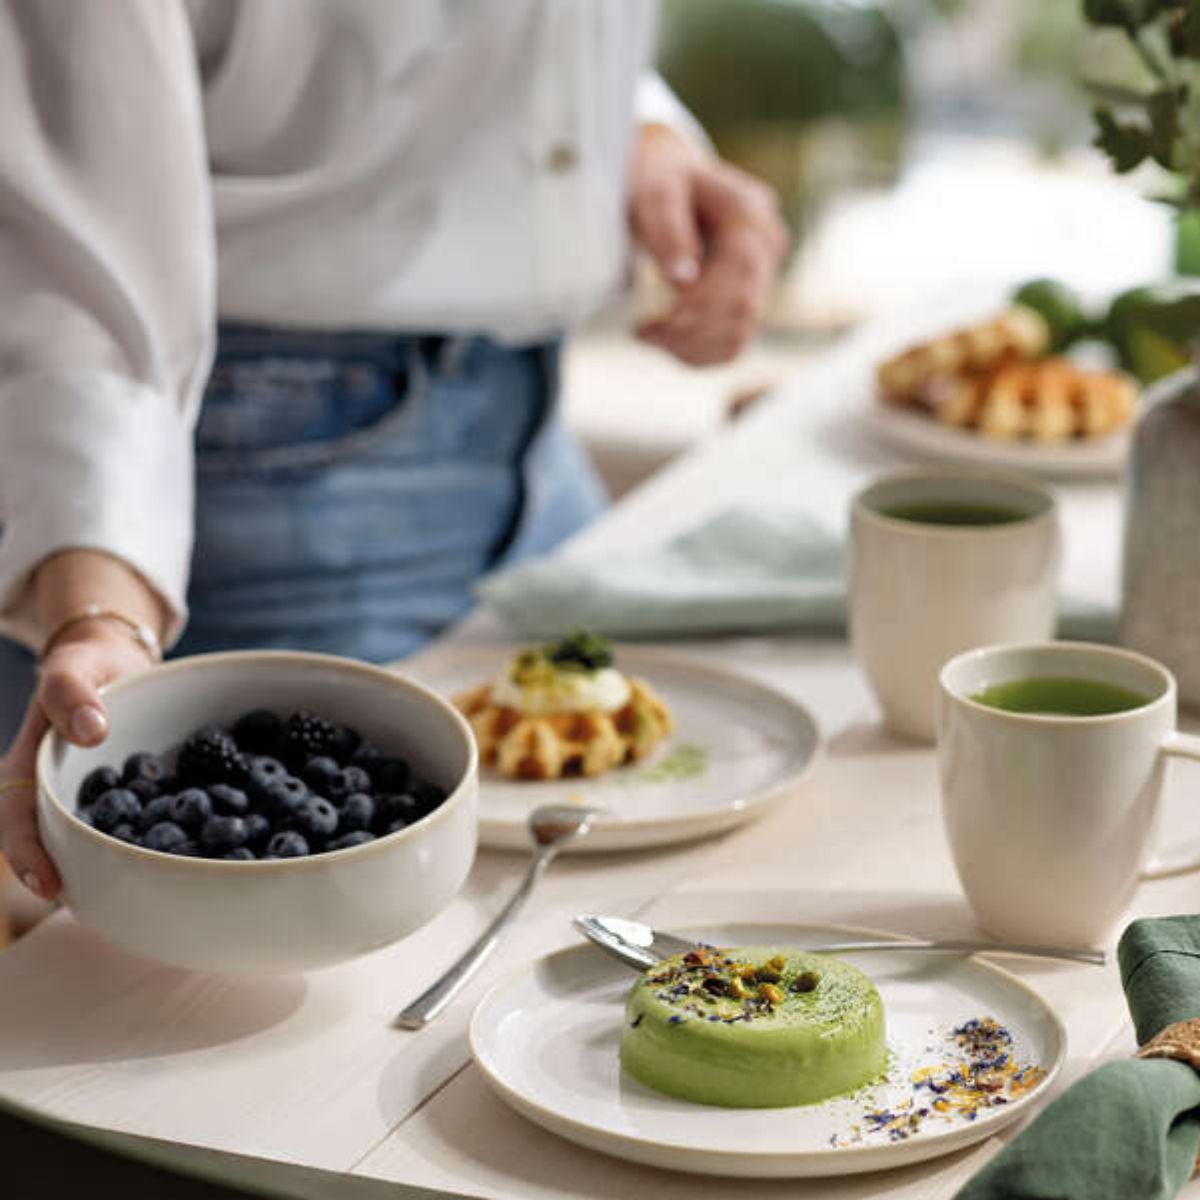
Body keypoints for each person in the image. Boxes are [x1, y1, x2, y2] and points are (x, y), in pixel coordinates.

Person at [0, 1, 787, 903]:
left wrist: (631, 132)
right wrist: (101, 608)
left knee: (628, 895)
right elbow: (69, 180)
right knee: (325, 953)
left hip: (536, 434)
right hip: (263, 478)